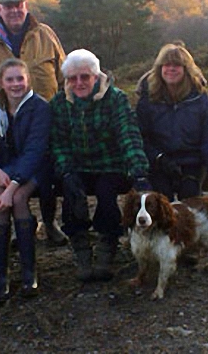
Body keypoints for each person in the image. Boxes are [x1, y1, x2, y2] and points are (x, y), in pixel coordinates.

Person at [0, 0, 67, 246]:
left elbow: (63, 73)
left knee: (46, 175)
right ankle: (19, 228)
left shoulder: (45, 35)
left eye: (19, 5)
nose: (15, 10)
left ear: (26, 6)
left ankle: (49, 222)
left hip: (46, 119)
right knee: (15, 174)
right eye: (8, 6)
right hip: (6, 126)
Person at [50, 49, 150, 283]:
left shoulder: (115, 98)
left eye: (85, 76)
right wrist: (65, 170)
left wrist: (139, 171)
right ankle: (82, 252)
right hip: (77, 166)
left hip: (110, 164)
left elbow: (128, 136)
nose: (79, 83)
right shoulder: (59, 103)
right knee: (71, 196)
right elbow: (58, 143)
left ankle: (107, 248)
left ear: (96, 76)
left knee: (107, 195)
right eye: (73, 78)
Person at [0, 58, 50, 302]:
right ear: (1, 82)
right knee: (0, 201)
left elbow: (35, 151)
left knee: (18, 198)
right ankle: (2, 273)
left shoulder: (39, 107)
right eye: (10, 79)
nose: (15, 84)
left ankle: (29, 270)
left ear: (28, 79)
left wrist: (13, 184)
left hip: (31, 168)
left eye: (20, 78)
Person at [136, 43, 208, 202]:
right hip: (159, 163)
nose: (171, 69)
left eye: (177, 65)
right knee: (162, 201)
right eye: (167, 64)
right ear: (159, 68)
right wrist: (158, 158)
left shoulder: (199, 97)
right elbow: (140, 137)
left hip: (192, 161)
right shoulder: (147, 98)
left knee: (190, 198)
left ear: (186, 69)